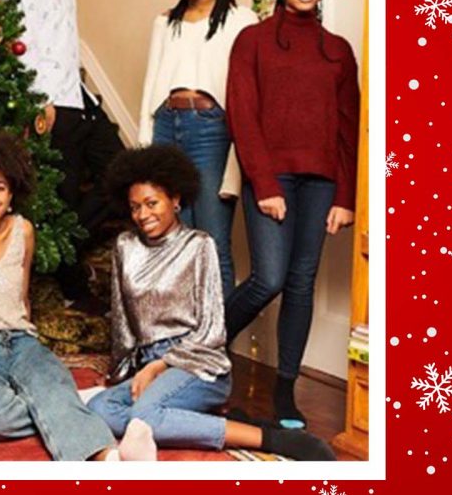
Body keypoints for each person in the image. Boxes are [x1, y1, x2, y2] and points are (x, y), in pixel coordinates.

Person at [85, 145, 336, 460]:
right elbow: (123, 318)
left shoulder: (199, 245)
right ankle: (209, 423)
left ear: (175, 200)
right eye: (135, 207)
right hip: (150, 362)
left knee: (145, 415)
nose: (143, 215)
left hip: (198, 364)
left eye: (152, 203)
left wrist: (160, 366)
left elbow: (213, 329)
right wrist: (123, 371)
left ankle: (270, 437)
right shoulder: (126, 245)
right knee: (97, 408)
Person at [0, 132, 157, 462]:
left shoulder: (23, 229)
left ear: (11, 194)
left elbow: (22, 297)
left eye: (0, 188)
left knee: (43, 386)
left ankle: (109, 460)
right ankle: (72, 404)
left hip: (22, 342)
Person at [224, 0, 359, 428]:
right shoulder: (253, 41)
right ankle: (207, 345)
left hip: (321, 181)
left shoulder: (339, 52)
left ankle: (285, 391)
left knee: (301, 283)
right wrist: (264, 184)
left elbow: (350, 129)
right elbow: (243, 116)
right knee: (269, 278)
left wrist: (345, 196)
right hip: (273, 177)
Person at [9, 0, 124, 309]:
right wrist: (39, 101)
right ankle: (75, 286)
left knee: (121, 171)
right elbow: (21, 45)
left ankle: (67, 254)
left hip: (78, 100)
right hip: (51, 105)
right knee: (65, 195)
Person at [138, 0, 258, 299]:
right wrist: (145, 141)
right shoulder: (165, 22)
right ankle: (180, 335)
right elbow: (151, 82)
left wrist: (234, 170)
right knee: (172, 237)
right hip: (166, 127)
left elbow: (245, 98)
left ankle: (214, 344)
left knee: (210, 240)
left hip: (211, 130)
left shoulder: (241, 20)